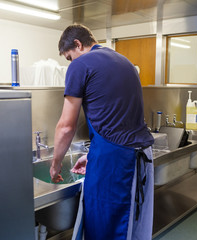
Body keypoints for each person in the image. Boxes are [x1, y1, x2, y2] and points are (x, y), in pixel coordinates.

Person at [50, 24, 154, 240]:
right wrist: (93, 155)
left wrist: (55, 164)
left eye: (69, 57)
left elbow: (66, 126)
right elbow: (119, 120)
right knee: (131, 228)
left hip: (115, 163)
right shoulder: (124, 61)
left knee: (105, 230)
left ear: (77, 45)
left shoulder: (81, 66)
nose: (71, 63)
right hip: (141, 157)